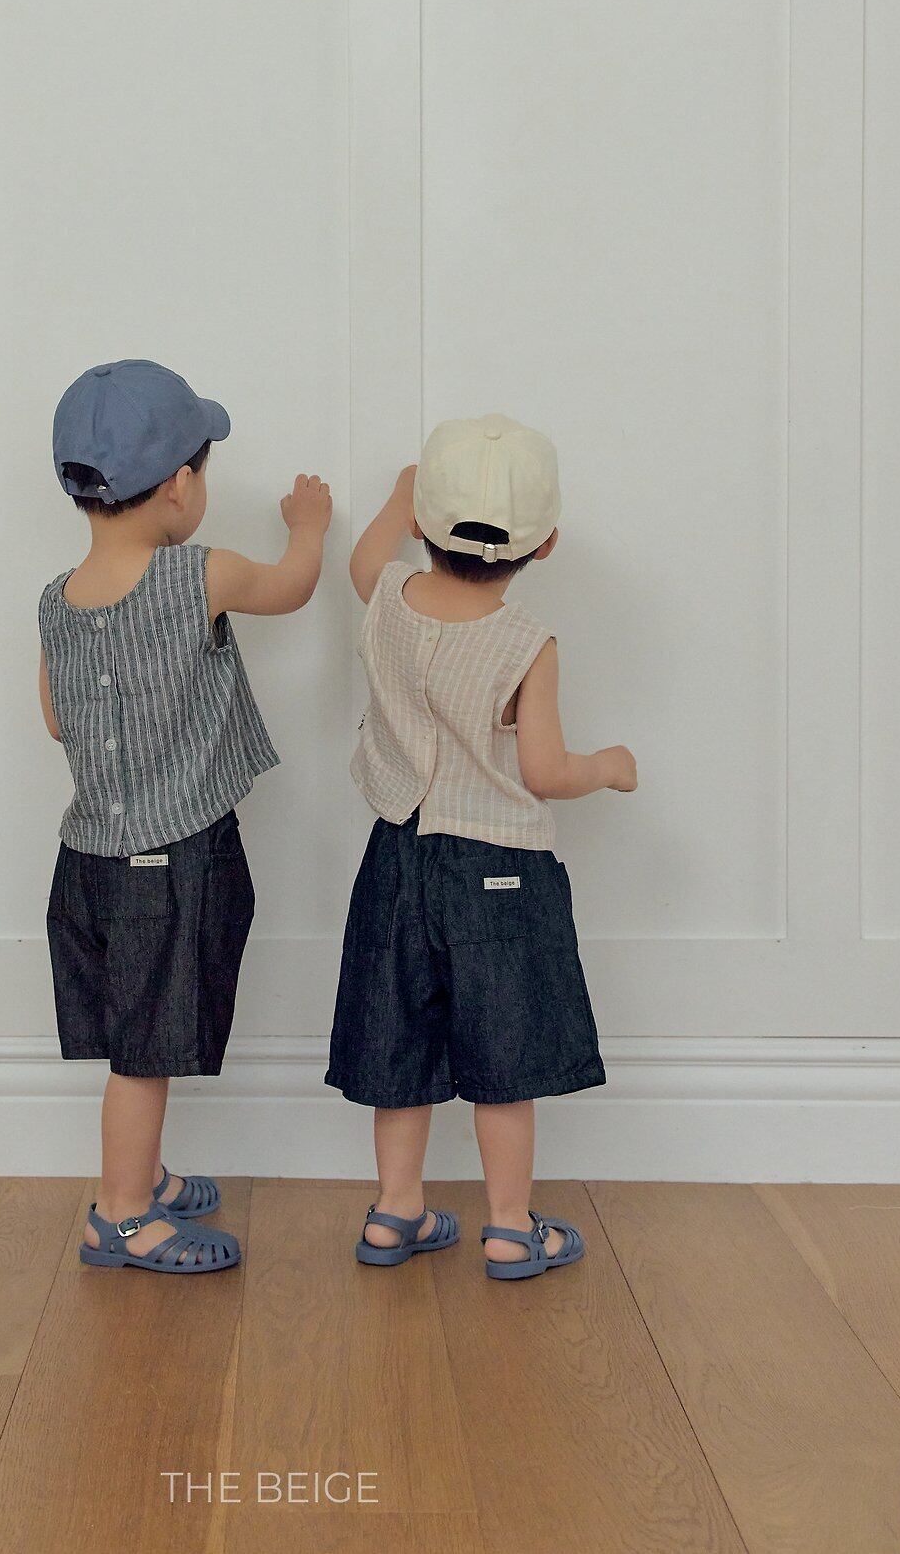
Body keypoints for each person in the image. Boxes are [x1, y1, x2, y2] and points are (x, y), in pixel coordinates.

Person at [325, 414, 636, 1277]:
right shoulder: (527, 643)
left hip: (396, 854)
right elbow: (544, 770)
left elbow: (362, 560)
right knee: (506, 1052)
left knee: (400, 1040)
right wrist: (606, 766)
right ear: (547, 543)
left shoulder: (387, 594)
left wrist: (398, 494)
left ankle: (395, 1212)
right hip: (497, 866)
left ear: (421, 523)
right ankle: (508, 1226)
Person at [39, 358, 332, 1274]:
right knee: (143, 1056)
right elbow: (292, 586)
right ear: (179, 486)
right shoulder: (199, 576)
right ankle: (122, 1214)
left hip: (88, 860)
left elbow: (55, 718)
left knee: (136, 1038)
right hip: (165, 864)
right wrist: (309, 528)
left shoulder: (56, 600)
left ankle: (144, 1176)